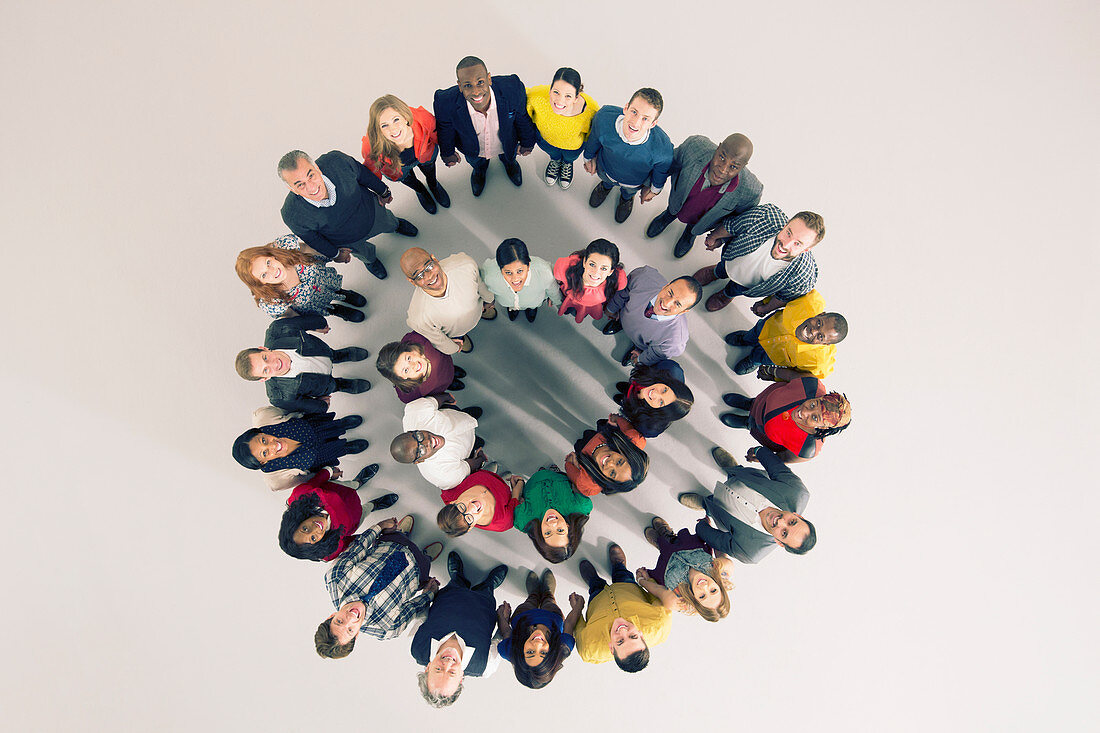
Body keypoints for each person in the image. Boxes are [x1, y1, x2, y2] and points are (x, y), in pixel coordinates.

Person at [279, 149, 419, 281]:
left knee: (390, 222)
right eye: (300, 185)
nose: (311, 187)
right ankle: (371, 261)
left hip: (371, 212)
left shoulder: (336, 161)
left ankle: (396, 225)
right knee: (364, 254)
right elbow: (314, 239)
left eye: (311, 175)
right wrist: (336, 254)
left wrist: (384, 191)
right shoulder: (292, 214)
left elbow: (363, 174)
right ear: (292, 189)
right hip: (347, 240)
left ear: (317, 168)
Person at [315, 514, 442, 659]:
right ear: (356, 636)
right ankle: (426, 556)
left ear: (331, 616)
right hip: (418, 570)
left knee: (397, 534)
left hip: (392, 542)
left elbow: (359, 546)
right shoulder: (387, 629)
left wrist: (380, 526)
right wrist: (429, 594)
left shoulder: (335, 578)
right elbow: (413, 608)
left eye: (339, 621)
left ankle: (402, 533)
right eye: (350, 630)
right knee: (425, 561)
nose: (350, 617)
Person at [678, 446, 815, 564]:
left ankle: (706, 504)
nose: (780, 522)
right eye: (792, 522)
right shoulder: (798, 492)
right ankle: (732, 468)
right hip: (744, 477)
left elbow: (717, 540)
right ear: (797, 515)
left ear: (779, 542)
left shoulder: (750, 552)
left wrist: (702, 525)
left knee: (712, 506)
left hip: (720, 508)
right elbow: (776, 468)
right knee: (737, 471)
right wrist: (758, 451)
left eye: (784, 533)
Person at [412, 552, 508, 707]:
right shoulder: (484, 666)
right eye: (451, 672)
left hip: (450, 596)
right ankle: (488, 585)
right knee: (485, 590)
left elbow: (422, 618)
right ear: (461, 677)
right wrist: (503, 618)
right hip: (483, 605)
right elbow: (499, 639)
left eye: (438, 669)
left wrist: (429, 594)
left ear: (428, 667)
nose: (448, 663)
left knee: (456, 584)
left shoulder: (418, 649)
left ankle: (458, 577)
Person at [645, 133, 763, 258]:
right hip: (678, 201)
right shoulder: (694, 147)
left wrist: (720, 238)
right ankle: (668, 215)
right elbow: (669, 164)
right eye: (722, 158)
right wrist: (652, 186)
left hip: (702, 221)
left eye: (733, 167)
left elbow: (737, 221)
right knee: (673, 210)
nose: (723, 169)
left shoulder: (751, 191)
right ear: (718, 148)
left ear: (743, 167)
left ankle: (690, 234)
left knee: (694, 228)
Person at [433, 55, 537, 197]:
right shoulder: (444, 102)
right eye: (468, 85)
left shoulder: (512, 89)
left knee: (509, 156)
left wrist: (527, 143)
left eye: (480, 82)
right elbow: (445, 130)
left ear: (489, 79)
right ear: (460, 86)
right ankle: (480, 171)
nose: (475, 92)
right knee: (476, 162)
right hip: (473, 148)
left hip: (506, 141)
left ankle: (510, 164)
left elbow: (522, 118)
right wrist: (447, 152)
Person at [693, 204, 824, 313]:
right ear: (786, 224)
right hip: (731, 259)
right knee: (722, 268)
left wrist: (766, 308)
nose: (786, 244)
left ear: (806, 249)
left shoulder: (803, 276)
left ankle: (726, 294)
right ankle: (715, 272)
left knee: (735, 289)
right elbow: (734, 226)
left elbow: (784, 296)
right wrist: (714, 237)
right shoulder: (766, 216)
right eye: (788, 233)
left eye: (797, 243)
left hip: (747, 286)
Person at [234, 313, 370, 414]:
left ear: (263, 349)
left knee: (332, 355)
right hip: (324, 384)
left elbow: (314, 320)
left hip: (323, 351)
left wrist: (319, 325)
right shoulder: (279, 397)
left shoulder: (279, 329)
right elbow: (311, 406)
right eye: (266, 370)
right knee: (334, 385)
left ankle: (341, 355)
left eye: (265, 358)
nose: (274, 364)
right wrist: (321, 405)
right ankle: (343, 385)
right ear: (265, 379)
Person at [581, 87, 673, 223]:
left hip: (633, 182)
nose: (635, 123)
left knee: (629, 191)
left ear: (653, 124)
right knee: (606, 181)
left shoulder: (662, 149)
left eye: (645, 119)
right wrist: (588, 157)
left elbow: (661, 171)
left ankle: (626, 198)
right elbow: (594, 138)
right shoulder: (604, 118)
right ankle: (605, 187)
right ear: (626, 108)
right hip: (605, 169)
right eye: (634, 112)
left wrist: (654, 189)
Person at [574, 543, 671, 671]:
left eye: (620, 641)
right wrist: (647, 581)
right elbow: (656, 596)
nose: (623, 630)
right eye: (633, 636)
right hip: (627, 588)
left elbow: (579, 628)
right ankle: (619, 566)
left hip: (597, 601)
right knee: (623, 576)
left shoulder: (589, 649)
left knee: (596, 588)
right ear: (641, 635)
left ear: (611, 648)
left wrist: (577, 608)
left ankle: (594, 581)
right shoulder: (659, 623)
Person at [235, 234, 366, 321]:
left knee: (334, 288)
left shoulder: (284, 248)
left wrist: (335, 255)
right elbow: (291, 315)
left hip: (322, 280)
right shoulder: (271, 300)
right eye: (264, 274)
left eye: (268, 263)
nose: (273, 271)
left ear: (271, 255)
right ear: (260, 282)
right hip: (313, 304)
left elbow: (310, 249)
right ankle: (336, 310)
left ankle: (343, 293)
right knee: (326, 308)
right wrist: (315, 327)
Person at [277, 466, 395, 562]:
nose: (315, 529)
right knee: (366, 510)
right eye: (313, 538)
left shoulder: (300, 496)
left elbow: (315, 481)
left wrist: (328, 472)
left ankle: (357, 482)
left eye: (305, 528)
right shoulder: (330, 549)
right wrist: (378, 532)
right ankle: (374, 505)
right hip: (355, 517)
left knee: (351, 485)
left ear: (298, 520)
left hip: (341, 489)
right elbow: (355, 542)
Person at [721, 377, 851, 463]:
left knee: (755, 425)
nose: (804, 412)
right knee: (757, 403)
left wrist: (761, 457)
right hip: (763, 401)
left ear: (823, 427)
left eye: (815, 417)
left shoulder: (808, 447)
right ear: (820, 397)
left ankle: (747, 423)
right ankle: (749, 403)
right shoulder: (812, 386)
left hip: (762, 429)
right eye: (813, 405)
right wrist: (771, 372)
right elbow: (791, 375)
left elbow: (785, 457)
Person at [724, 290, 848, 378]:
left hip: (774, 356)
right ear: (821, 314)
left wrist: (774, 374)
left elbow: (804, 377)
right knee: (754, 333)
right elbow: (785, 295)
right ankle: (746, 339)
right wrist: (766, 304)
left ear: (825, 344)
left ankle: (753, 360)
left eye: (820, 336)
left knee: (761, 357)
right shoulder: (808, 301)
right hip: (768, 326)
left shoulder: (817, 362)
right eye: (819, 323)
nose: (813, 330)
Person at [231, 408, 368, 486]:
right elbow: (305, 480)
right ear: (263, 462)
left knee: (333, 427)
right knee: (336, 449)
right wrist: (329, 473)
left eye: (264, 440)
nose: (273, 445)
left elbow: (291, 407)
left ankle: (342, 424)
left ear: (260, 432)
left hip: (314, 427)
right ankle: (347, 448)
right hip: (318, 455)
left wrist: (316, 404)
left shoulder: (264, 418)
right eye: (265, 453)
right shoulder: (275, 479)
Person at [361, 94, 450, 215]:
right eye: (384, 125)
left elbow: (437, 135)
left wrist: (447, 153)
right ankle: (421, 191)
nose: (393, 129)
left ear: (405, 117)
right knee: (411, 181)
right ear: (378, 129)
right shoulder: (371, 146)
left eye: (396, 119)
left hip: (426, 155)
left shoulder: (423, 118)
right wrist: (380, 192)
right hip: (398, 169)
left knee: (430, 173)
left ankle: (433, 185)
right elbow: (372, 171)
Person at [634, 517, 734, 622]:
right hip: (690, 546)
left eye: (702, 596)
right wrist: (707, 528)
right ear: (720, 585)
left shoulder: (676, 599)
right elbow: (718, 545)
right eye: (713, 590)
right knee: (676, 541)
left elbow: (657, 590)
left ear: (694, 600)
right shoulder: (722, 569)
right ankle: (668, 535)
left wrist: (642, 580)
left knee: (665, 548)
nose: (704, 586)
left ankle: (661, 543)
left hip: (667, 563)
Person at [497, 569, 584, 689]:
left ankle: (533, 594)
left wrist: (502, 617)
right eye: (543, 652)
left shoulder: (510, 651)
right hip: (552, 616)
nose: (537, 644)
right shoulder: (563, 647)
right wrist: (578, 607)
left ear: (520, 652)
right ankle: (548, 594)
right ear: (552, 655)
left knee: (530, 601)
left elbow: (506, 631)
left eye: (530, 652)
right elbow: (569, 623)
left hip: (523, 616)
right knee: (549, 601)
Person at [601, 267, 702, 367]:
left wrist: (639, 360)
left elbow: (655, 354)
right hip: (623, 315)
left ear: (683, 311)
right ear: (666, 286)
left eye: (678, 304)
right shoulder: (643, 276)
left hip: (642, 345)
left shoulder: (675, 341)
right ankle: (620, 323)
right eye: (670, 293)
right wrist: (611, 309)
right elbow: (623, 292)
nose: (666, 303)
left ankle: (636, 349)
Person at [402, 247, 495, 355]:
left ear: (435, 259)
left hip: (480, 307)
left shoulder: (465, 265)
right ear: (412, 282)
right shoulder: (418, 318)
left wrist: (489, 300)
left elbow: (480, 285)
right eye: (419, 276)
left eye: (429, 266)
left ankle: (483, 312)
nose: (429, 276)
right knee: (458, 339)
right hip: (457, 333)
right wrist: (455, 347)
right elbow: (440, 341)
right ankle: (462, 338)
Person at [391, 395, 486, 490]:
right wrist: (480, 458)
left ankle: (469, 416)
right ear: (419, 461)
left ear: (411, 431)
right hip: (469, 445)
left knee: (471, 414)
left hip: (456, 416)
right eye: (420, 450)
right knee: (479, 443)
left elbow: (438, 399)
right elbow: (468, 466)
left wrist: (448, 397)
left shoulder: (415, 411)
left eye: (419, 436)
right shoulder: (442, 475)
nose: (427, 442)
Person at [526, 67, 599, 190]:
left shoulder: (591, 110)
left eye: (568, 96)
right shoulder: (536, 97)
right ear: (550, 90)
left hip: (573, 147)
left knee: (569, 158)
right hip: (546, 140)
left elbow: (592, 134)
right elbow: (524, 109)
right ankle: (555, 161)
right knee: (553, 154)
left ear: (576, 97)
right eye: (556, 92)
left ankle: (567, 164)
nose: (560, 100)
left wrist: (592, 155)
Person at [512, 468, 592, 563]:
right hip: (559, 477)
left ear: (540, 534)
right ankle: (553, 469)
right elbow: (576, 482)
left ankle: (542, 471)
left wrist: (520, 483)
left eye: (547, 533)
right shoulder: (580, 507)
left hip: (533, 482)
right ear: (568, 527)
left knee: (540, 473)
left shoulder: (523, 520)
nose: (552, 524)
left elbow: (515, 500)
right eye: (560, 530)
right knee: (555, 471)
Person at [480, 238, 562, 323]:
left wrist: (558, 303)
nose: (515, 279)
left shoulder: (544, 273)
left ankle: (531, 309)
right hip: (508, 303)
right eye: (508, 272)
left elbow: (554, 291)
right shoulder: (489, 275)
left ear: (528, 265)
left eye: (519, 271)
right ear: (500, 269)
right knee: (511, 306)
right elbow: (482, 289)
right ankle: (513, 309)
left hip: (533, 302)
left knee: (532, 306)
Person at [565, 414, 648, 496]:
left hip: (583, 454)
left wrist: (571, 462)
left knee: (579, 444)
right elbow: (629, 429)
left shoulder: (589, 483)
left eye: (612, 473)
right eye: (619, 461)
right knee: (589, 434)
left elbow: (571, 470)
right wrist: (617, 419)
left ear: (608, 480)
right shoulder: (633, 439)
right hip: (606, 434)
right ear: (627, 453)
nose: (609, 464)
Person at [375, 332, 466, 404]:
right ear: (403, 378)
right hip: (440, 387)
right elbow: (428, 400)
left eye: (408, 358)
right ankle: (449, 383)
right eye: (406, 370)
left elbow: (437, 333)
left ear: (409, 350)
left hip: (446, 364)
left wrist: (450, 343)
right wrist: (445, 397)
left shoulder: (418, 339)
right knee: (446, 381)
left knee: (448, 370)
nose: (414, 365)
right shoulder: (409, 394)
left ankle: (452, 372)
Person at [553, 239, 628, 324]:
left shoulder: (618, 279)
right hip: (569, 297)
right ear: (584, 262)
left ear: (610, 271)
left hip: (593, 305)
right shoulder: (567, 267)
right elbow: (556, 279)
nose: (595, 273)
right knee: (568, 310)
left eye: (603, 268)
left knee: (580, 313)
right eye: (592, 264)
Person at [612, 359, 693, 438]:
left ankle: (626, 400)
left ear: (660, 411)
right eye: (664, 390)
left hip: (637, 407)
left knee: (628, 403)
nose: (654, 394)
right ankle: (630, 390)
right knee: (630, 389)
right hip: (641, 383)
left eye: (661, 402)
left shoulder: (648, 426)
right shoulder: (670, 368)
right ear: (669, 383)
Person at [437, 469, 523, 538]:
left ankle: (489, 472)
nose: (473, 507)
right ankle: (500, 479)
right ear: (470, 527)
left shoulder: (450, 491)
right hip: (503, 489)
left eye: (462, 508)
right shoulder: (502, 521)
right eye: (469, 518)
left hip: (480, 473)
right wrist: (520, 482)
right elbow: (515, 499)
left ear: (453, 502)